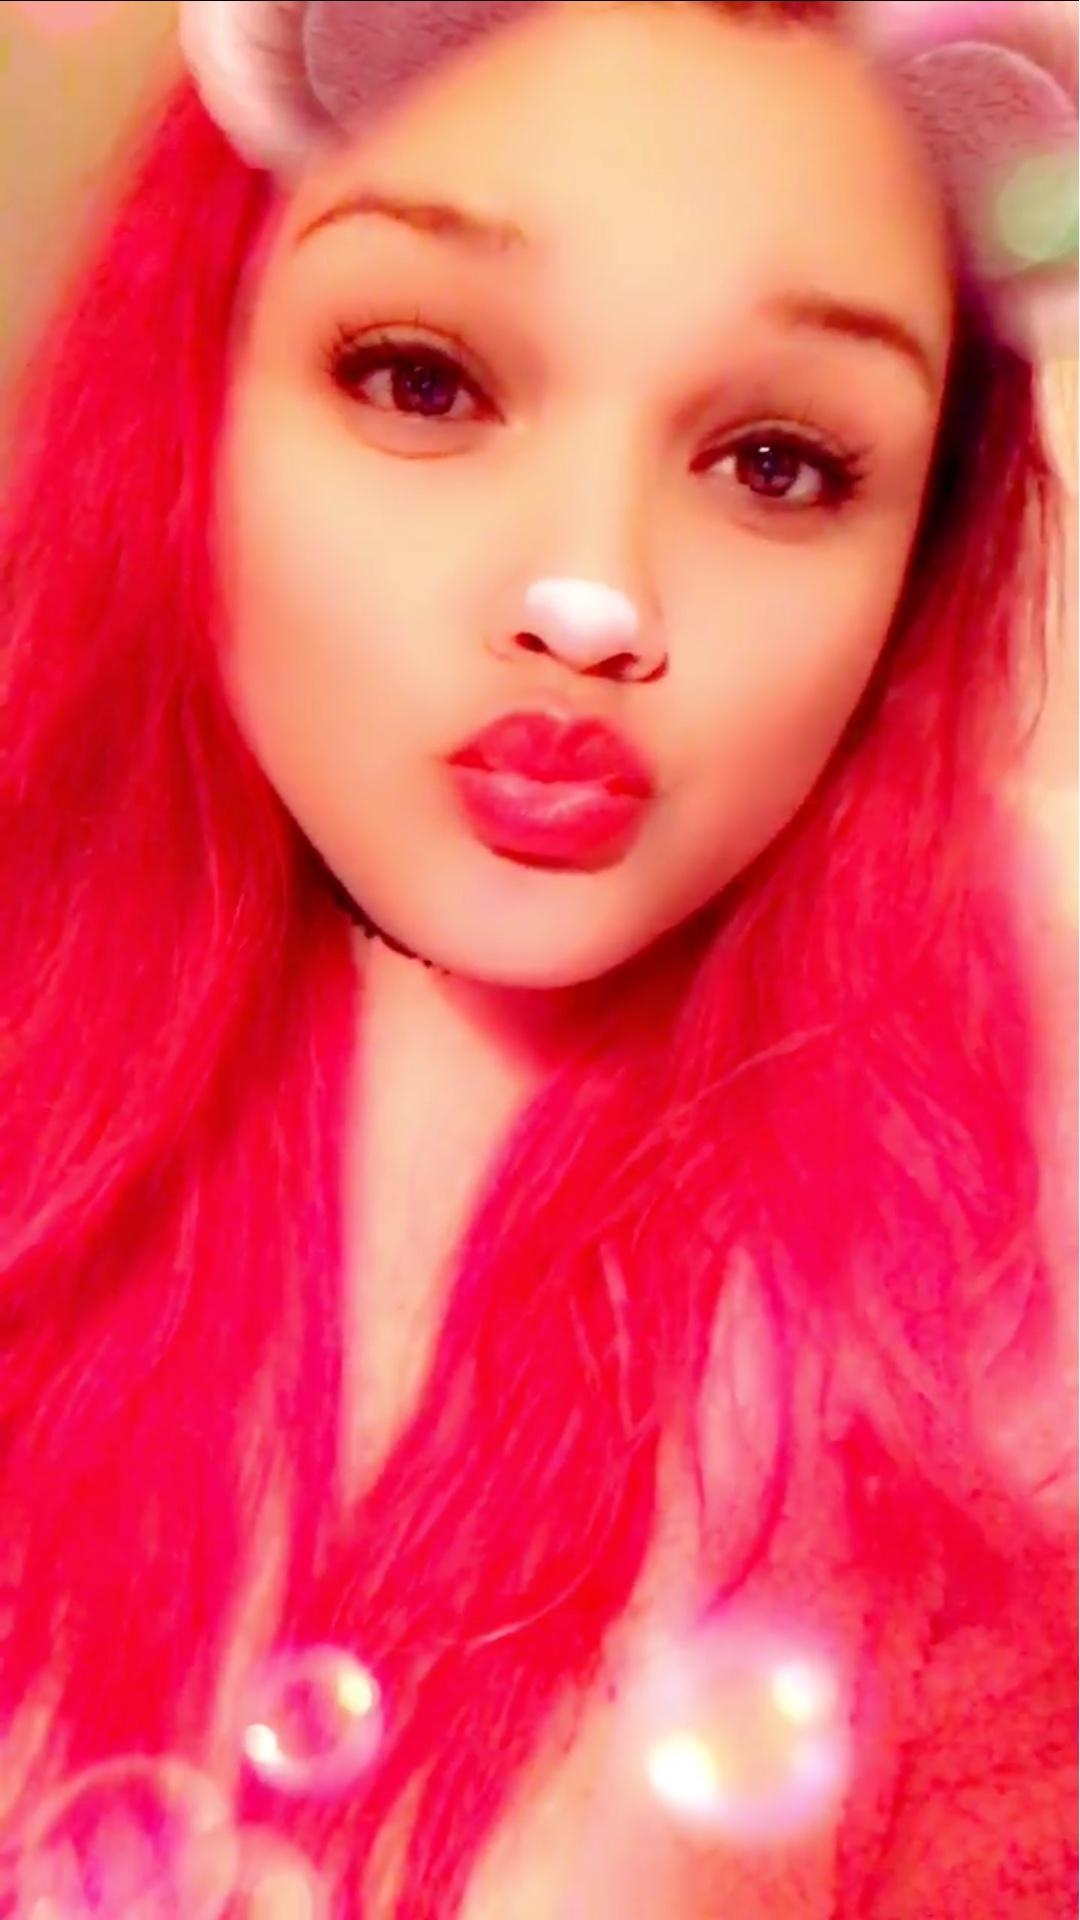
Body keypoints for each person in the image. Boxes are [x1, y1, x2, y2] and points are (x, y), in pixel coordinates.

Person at [1, 2, 1076, 1914]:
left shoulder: (981, 1411)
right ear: (197, 391)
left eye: (778, 461)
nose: (593, 599)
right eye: (423, 380)